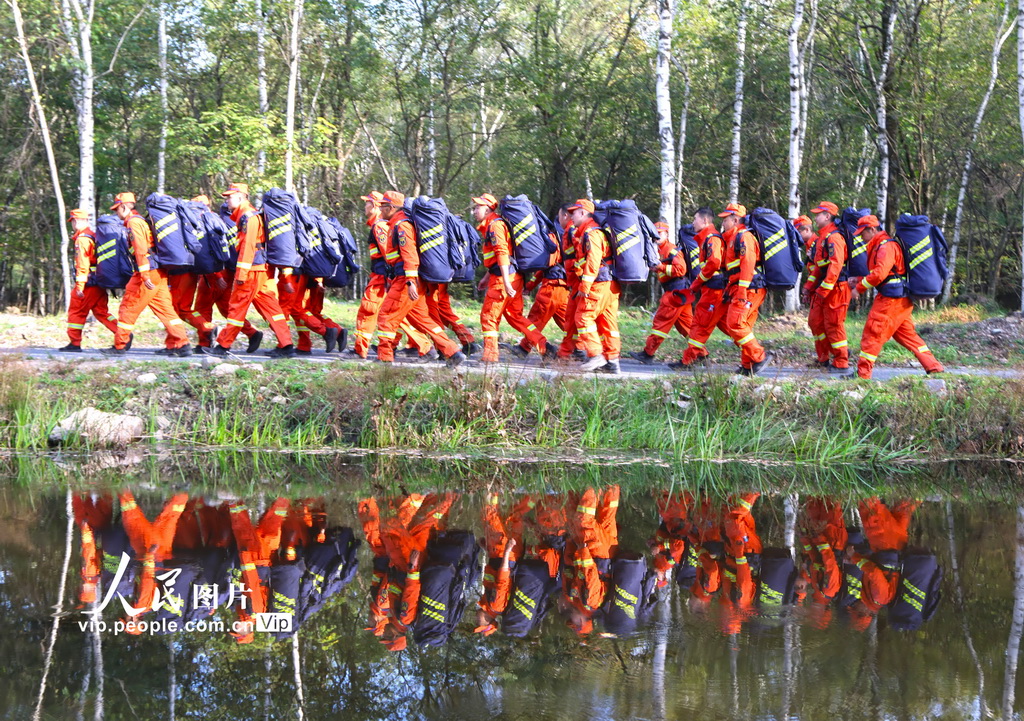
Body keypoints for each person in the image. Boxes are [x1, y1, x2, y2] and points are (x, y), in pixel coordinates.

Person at [374, 191, 466, 367]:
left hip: (405, 281)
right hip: (410, 280)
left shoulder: (402, 226)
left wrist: (410, 282)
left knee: (386, 315)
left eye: (382, 206)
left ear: (392, 207)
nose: (380, 210)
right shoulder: (398, 223)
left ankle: (384, 357)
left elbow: (410, 255)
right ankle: (453, 352)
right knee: (423, 320)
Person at [204, 183, 294, 358]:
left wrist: (241, 274)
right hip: (259, 270)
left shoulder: (248, 217)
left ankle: (223, 346)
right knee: (272, 310)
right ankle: (287, 345)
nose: (227, 200)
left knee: (236, 308)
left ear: (241, 197)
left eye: (230, 196)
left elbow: (248, 246)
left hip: (252, 270)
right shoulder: (247, 216)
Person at [850, 215, 944, 378]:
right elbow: (887, 273)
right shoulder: (880, 245)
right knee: (907, 335)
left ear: (872, 230)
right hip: (899, 299)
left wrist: (859, 288)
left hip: (891, 300)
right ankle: (934, 367)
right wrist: (858, 279)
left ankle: (862, 375)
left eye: (862, 233)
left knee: (873, 333)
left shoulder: (886, 246)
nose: (861, 238)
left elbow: (880, 274)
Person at [345, 191, 433, 361]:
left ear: (379, 206)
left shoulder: (380, 226)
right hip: (386, 278)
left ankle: (363, 350)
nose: (366, 206)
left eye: (369, 203)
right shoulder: (381, 225)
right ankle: (425, 347)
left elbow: (389, 255)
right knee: (397, 316)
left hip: (382, 278)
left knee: (369, 311)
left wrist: (390, 279)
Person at [102, 192, 190, 356]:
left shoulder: (134, 223)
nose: (116, 213)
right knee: (165, 310)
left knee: (128, 307)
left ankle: (119, 346)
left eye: (116, 209)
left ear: (123, 206)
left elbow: (140, 249)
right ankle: (182, 343)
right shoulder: (141, 221)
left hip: (147, 271)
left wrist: (144, 275)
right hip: (158, 271)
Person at [472, 193, 547, 362]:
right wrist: (486, 277)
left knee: (489, 316)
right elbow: (496, 258)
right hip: (510, 275)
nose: (475, 211)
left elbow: (502, 253)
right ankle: (545, 347)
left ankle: (490, 356)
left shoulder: (495, 226)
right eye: (475, 207)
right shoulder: (493, 224)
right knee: (516, 317)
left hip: (503, 279)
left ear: (489, 208)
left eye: (478, 207)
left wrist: (505, 281)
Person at [567, 200, 621, 374]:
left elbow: (593, 260)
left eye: (574, 212)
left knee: (583, 317)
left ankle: (596, 354)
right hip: (610, 284)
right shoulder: (592, 232)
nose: (571, 216)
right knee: (607, 323)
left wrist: (585, 284)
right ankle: (612, 362)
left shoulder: (591, 233)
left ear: (583, 213)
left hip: (598, 283)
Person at [670, 207, 726, 370]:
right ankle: (753, 356)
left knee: (699, 325)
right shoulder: (706, 239)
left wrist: (697, 283)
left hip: (713, 290)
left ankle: (690, 360)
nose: (693, 222)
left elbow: (714, 262)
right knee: (728, 327)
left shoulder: (711, 238)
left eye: (695, 219)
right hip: (712, 289)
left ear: (705, 221)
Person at [630, 221, 693, 364]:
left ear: (667, 234)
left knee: (661, 323)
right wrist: (658, 268)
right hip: (680, 292)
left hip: (675, 293)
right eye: (655, 234)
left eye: (660, 233)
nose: (656, 237)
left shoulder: (671, 250)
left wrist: (661, 267)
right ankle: (701, 353)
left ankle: (648, 353)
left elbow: (680, 270)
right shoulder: (659, 250)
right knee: (687, 327)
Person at [720, 203, 772, 375]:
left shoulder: (744, 237)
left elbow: (748, 264)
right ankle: (747, 364)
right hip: (745, 288)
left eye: (725, 219)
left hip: (749, 289)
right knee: (744, 326)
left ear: (735, 219)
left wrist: (741, 290)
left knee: (735, 324)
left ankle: (759, 357)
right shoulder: (734, 238)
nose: (723, 223)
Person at [60, 209, 119, 351]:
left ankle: (74, 343)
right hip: (98, 281)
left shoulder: (82, 239)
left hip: (88, 283)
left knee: (77, 311)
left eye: (73, 221)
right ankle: (123, 334)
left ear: (77, 221)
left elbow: (82, 264)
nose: (73, 224)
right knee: (101, 311)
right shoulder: (93, 236)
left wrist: (80, 286)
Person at [802, 201, 850, 374]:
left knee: (834, 325)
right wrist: (808, 287)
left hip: (835, 289)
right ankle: (823, 358)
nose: (815, 217)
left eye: (818, 214)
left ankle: (841, 361)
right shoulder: (822, 238)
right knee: (815, 323)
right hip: (824, 289)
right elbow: (817, 268)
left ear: (827, 216)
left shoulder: (834, 237)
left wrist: (823, 290)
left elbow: (835, 267)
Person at [166, 195, 218, 350]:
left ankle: (174, 343)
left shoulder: (184, 218)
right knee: (184, 308)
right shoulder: (209, 219)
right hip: (194, 270)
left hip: (180, 271)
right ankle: (206, 327)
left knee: (174, 308)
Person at [512, 223, 570, 358]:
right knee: (568, 323)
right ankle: (585, 348)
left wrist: (530, 285)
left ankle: (524, 348)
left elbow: (546, 265)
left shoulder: (552, 237)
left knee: (535, 319)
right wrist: (530, 286)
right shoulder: (565, 236)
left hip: (552, 287)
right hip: (563, 287)